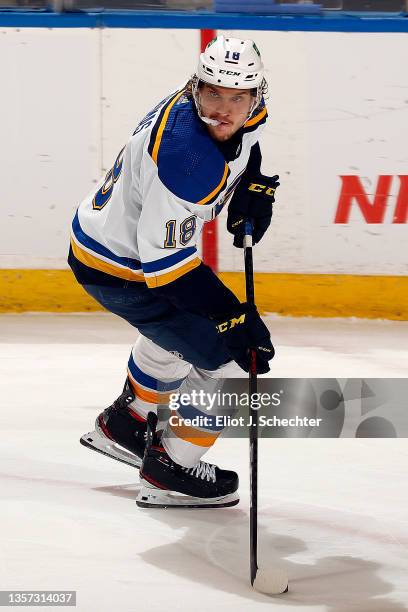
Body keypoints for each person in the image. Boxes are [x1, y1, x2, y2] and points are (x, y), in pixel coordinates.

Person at [68, 35, 280, 508]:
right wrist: (233, 317)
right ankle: (171, 470)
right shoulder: (187, 160)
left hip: (108, 245)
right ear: (195, 88)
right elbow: (168, 272)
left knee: (181, 332)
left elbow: (246, 145)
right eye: (214, 94)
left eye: (237, 97)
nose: (224, 109)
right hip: (123, 270)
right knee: (232, 364)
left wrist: (253, 184)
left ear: (256, 96)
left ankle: (129, 423)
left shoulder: (221, 115)